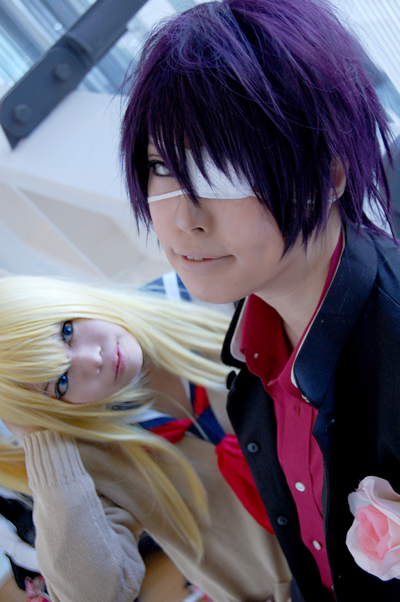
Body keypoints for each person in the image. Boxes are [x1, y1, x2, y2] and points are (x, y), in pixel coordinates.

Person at [121, 0, 400, 599]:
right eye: (163, 166)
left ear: (329, 174)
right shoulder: (252, 338)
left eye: (222, 169)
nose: (185, 220)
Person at [0, 274, 291, 602]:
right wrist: (41, 437)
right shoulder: (87, 459)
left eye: (66, 331)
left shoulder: (206, 294)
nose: (92, 359)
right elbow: (95, 596)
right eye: (61, 382)